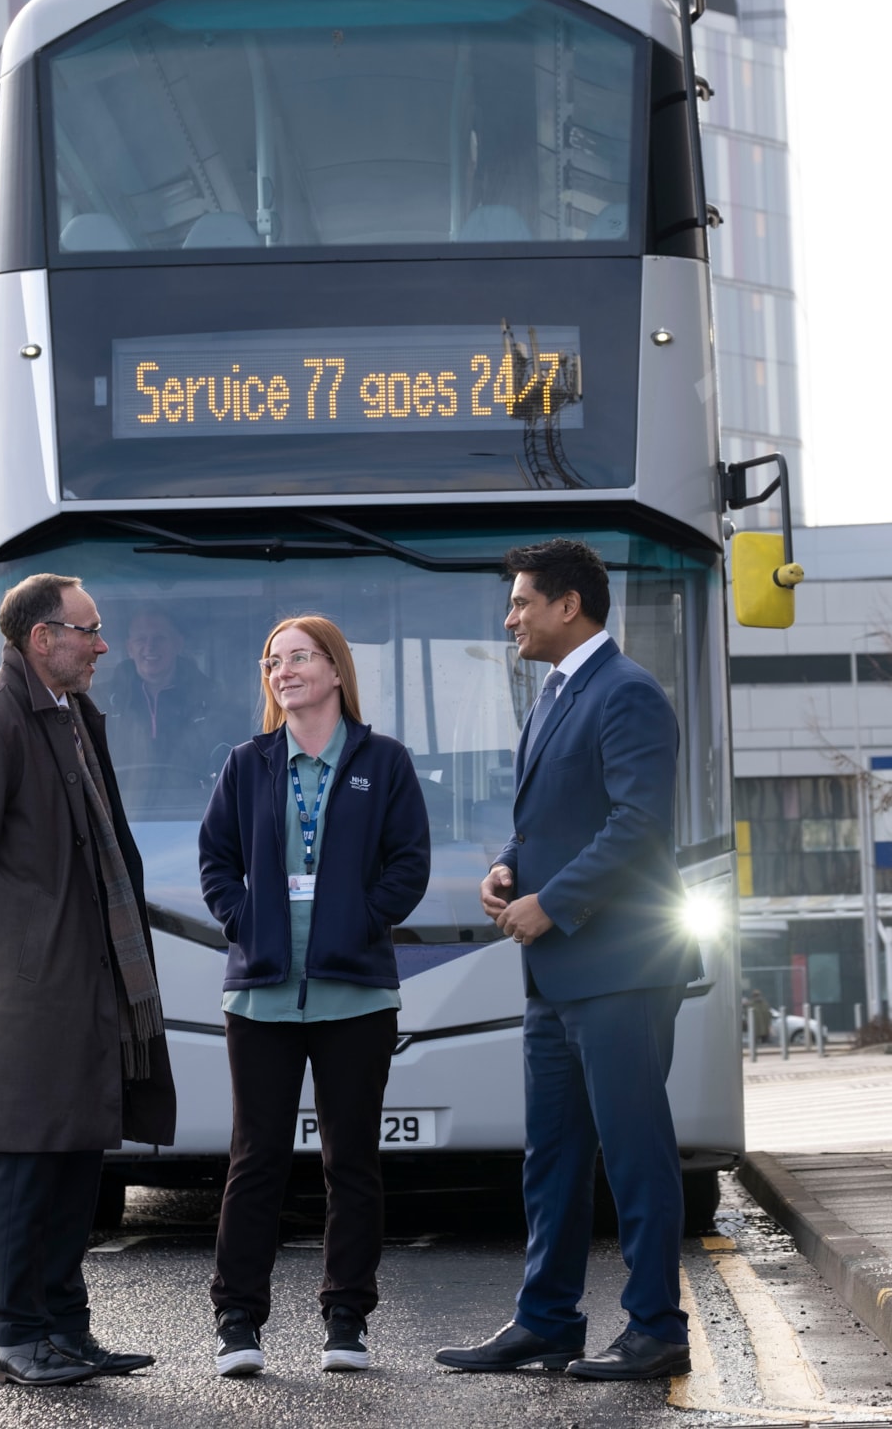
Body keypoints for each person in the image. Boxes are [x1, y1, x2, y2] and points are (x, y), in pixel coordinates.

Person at [435, 540, 701, 1383]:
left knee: (635, 1155)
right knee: (550, 1156)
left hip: (619, 967)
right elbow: (555, 817)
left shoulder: (626, 694)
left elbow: (638, 825)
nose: (509, 618)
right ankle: (546, 1321)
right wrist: (510, 865)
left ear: (568, 606)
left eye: (520, 603)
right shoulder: (557, 693)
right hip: (557, 974)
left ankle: (657, 1328)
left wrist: (551, 903)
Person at [0, 573, 176, 1388]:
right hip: (26, 995)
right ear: (42, 639)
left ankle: (67, 1329)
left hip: (81, 983)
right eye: (89, 630)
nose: (104, 645)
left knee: (74, 1161)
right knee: (25, 1165)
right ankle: (17, 1334)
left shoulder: (68, 718)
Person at [198, 615, 431, 1379]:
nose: (285, 670)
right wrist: (247, 921)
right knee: (255, 1158)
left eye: (301, 657)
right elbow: (217, 862)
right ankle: (237, 1321)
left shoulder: (383, 762)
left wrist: (361, 921)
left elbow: (409, 863)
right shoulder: (248, 763)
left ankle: (347, 1319)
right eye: (274, 660)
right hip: (261, 998)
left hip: (356, 995)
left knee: (351, 1160)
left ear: (336, 671)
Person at [102, 606, 240, 813]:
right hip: (118, 818)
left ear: (178, 644)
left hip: (198, 818)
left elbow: (233, 767)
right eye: (141, 640)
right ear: (129, 647)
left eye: (159, 638)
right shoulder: (101, 702)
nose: (150, 647)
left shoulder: (214, 700)